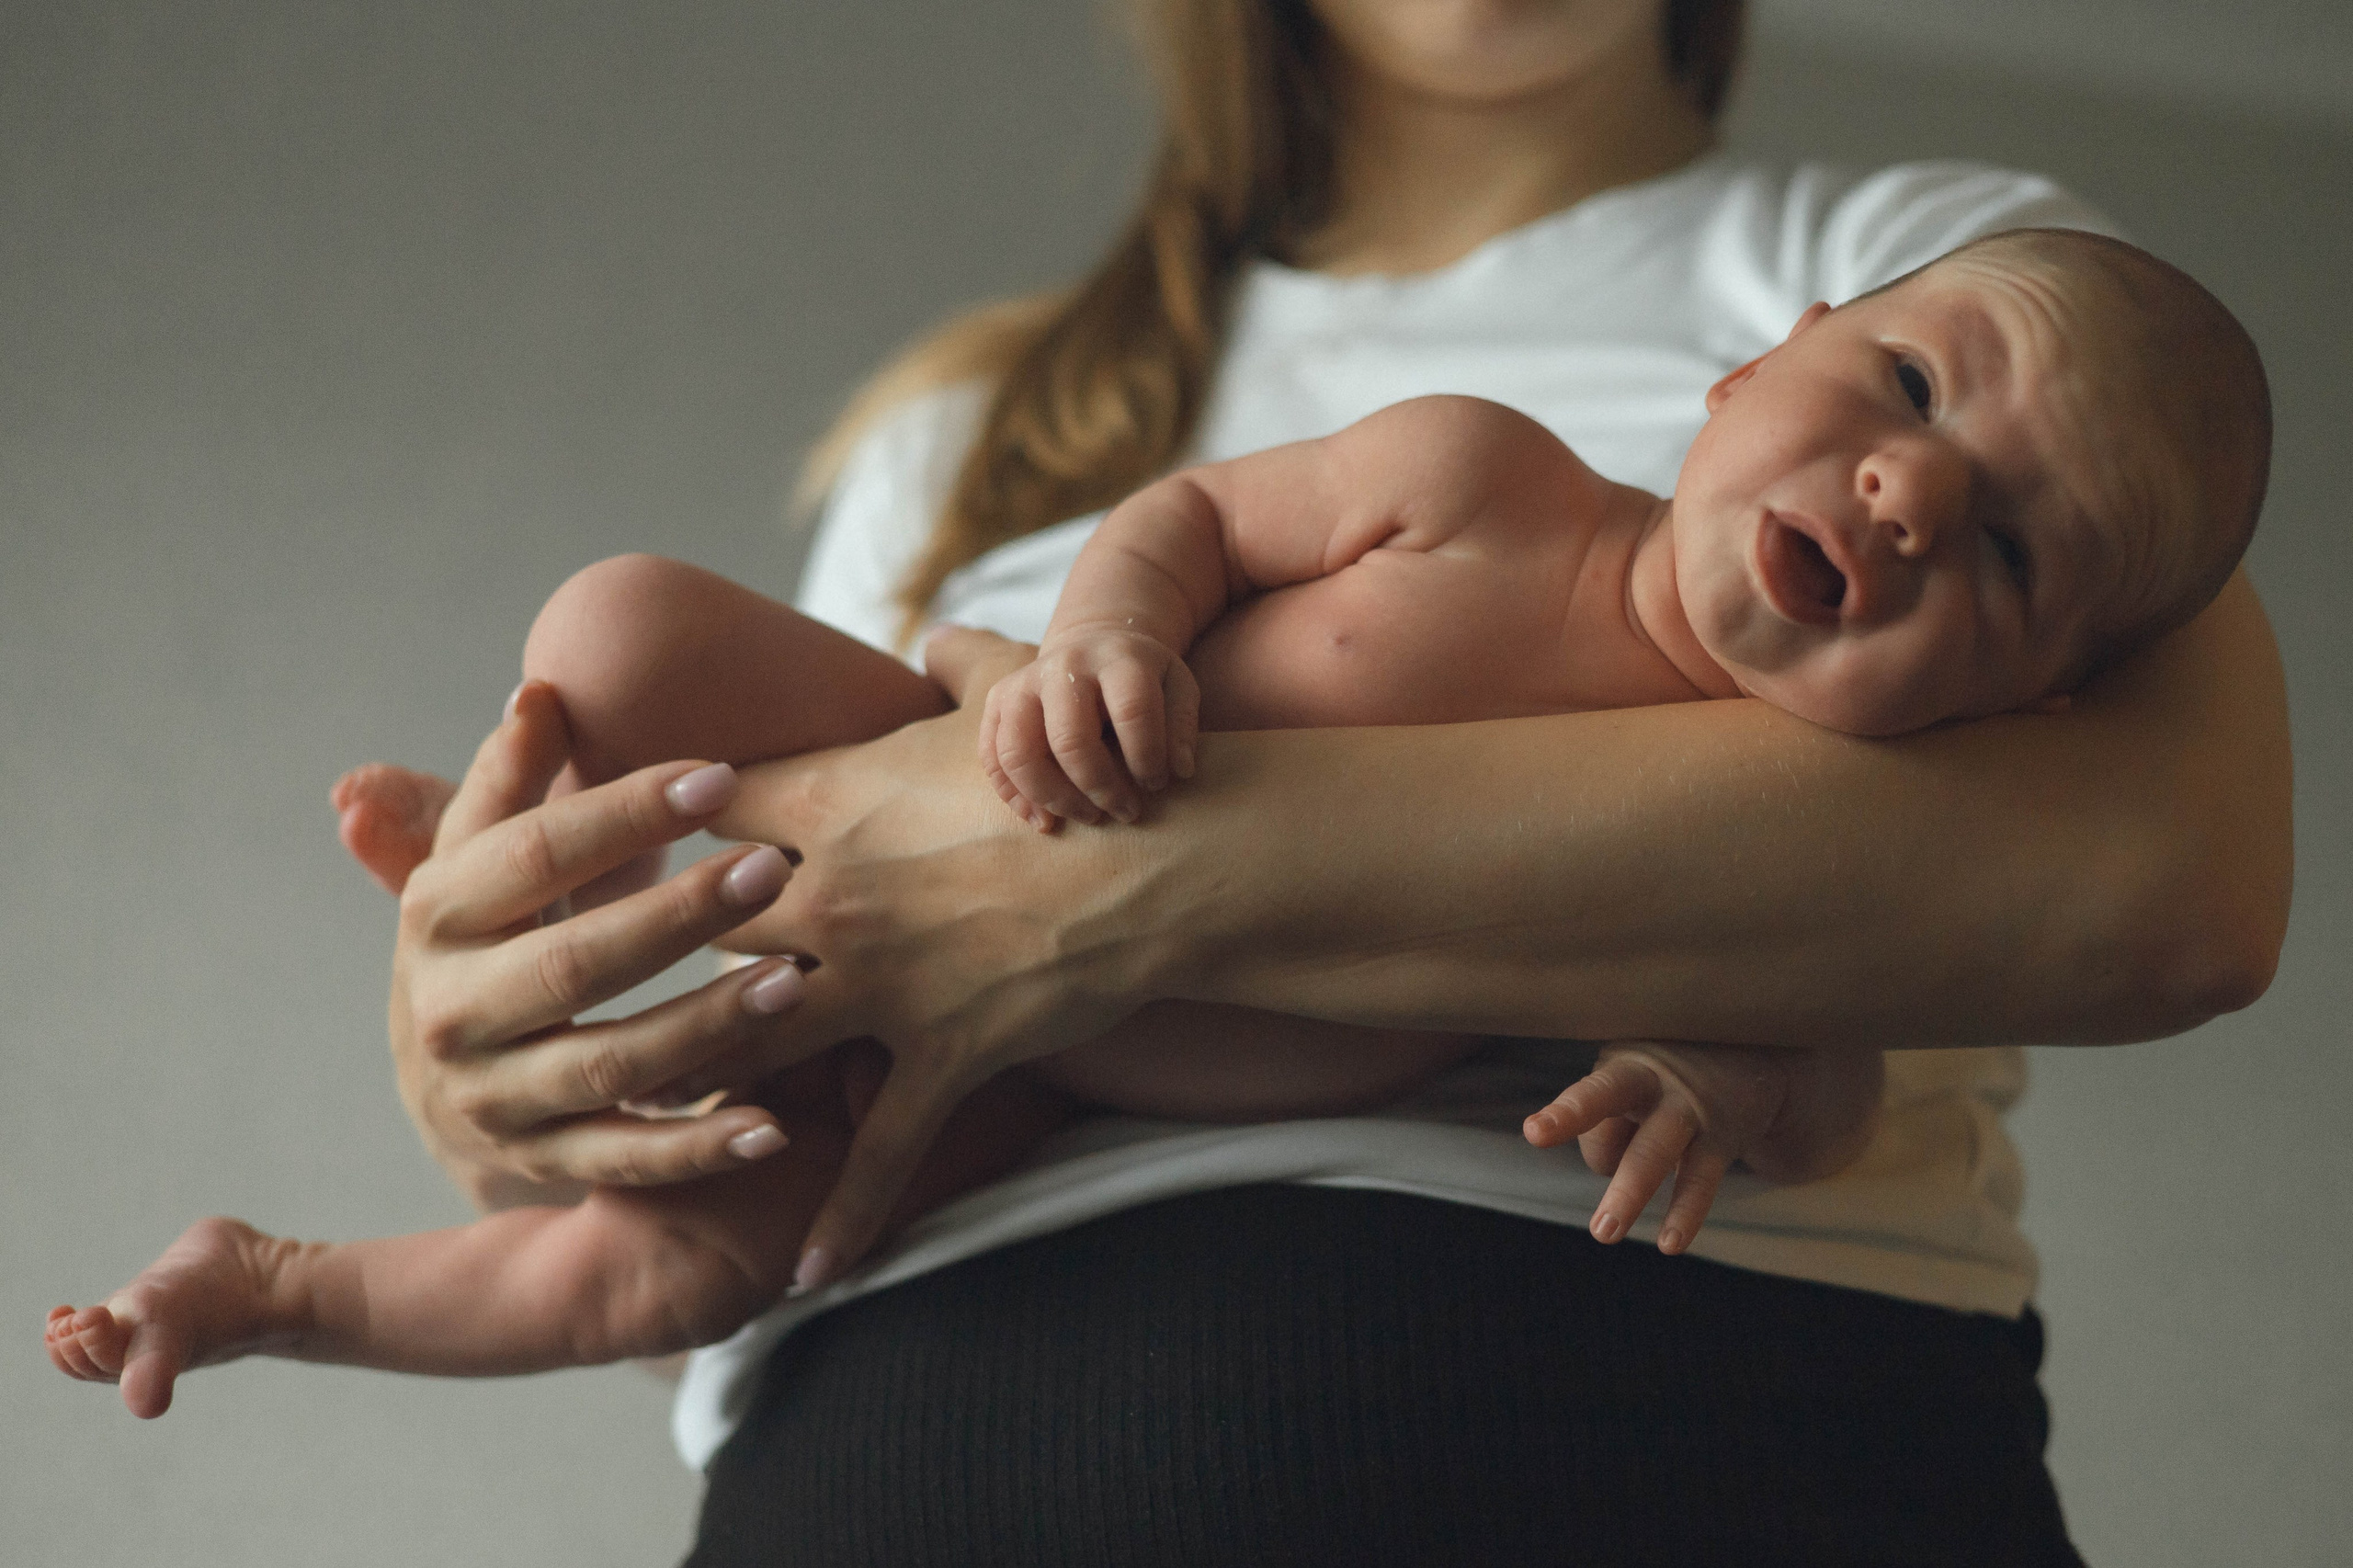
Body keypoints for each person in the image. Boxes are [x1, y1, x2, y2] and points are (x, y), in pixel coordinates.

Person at [151, 1, 2292, 1562]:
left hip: (1664, 1428)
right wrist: (500, 1061)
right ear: (1757, 380)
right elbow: (784, 1064)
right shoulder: (988, 426)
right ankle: (307, 1280)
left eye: (2003, 550)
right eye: (1901, 402)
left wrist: (1128, 890)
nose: (1921, 489)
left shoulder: (1973, 265)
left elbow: (2167, 896)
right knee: (617, 650)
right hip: (885, 1358)